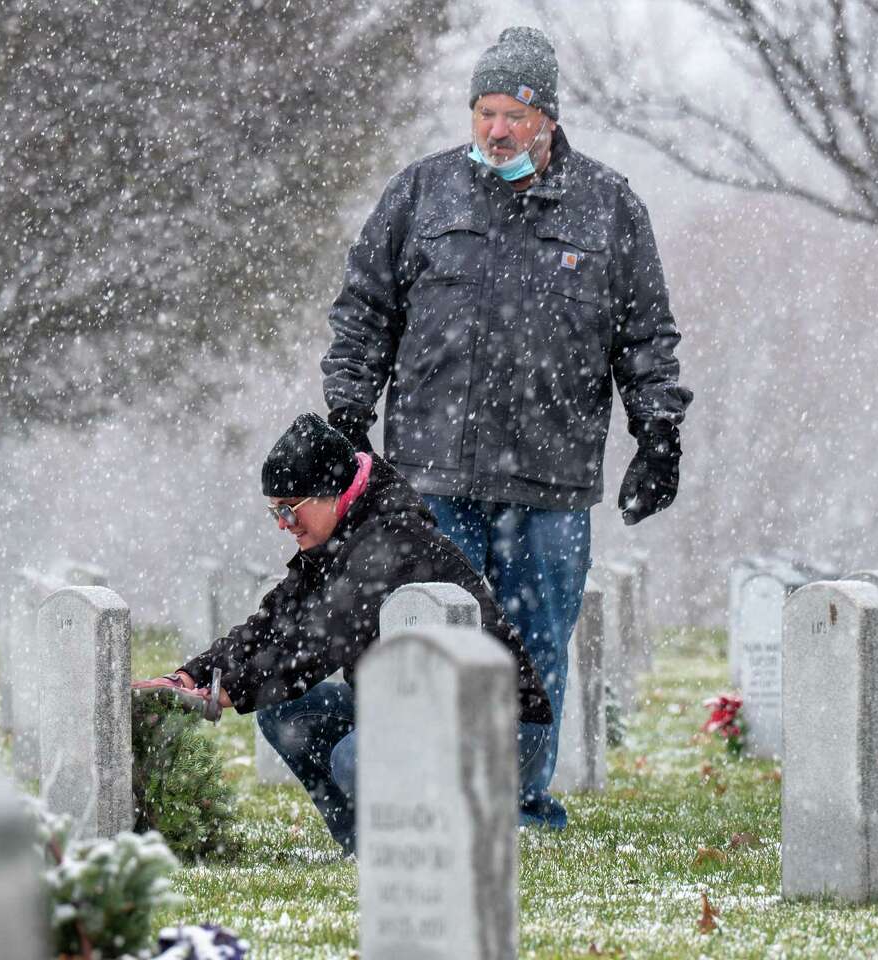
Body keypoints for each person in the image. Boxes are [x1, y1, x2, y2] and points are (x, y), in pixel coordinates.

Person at [320, 26, 693, 829]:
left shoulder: (608, 207)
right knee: (426, 635)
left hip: (550, 478)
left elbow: (644, 334)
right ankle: (430, 795)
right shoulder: (422, 195)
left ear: (547, 118)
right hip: (432, 472)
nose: (496, 130)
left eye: (514, 115)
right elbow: (364, 313)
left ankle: (517, 804)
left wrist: (658, 434)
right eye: (484, 112)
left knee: (534, 644)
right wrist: (348, 411)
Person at [133, 412, 552, 854]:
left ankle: (423, 854)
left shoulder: (390, 538)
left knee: (356, 760)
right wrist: (192, 675)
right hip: (413, 708)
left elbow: (322, 643)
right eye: (274, 511)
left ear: (329, 491)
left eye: (288, 508)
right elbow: (273, 622)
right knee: (285, 714)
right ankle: (365, 848)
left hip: (503, 725)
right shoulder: (336, 536)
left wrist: (229, 691)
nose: (282, 523)